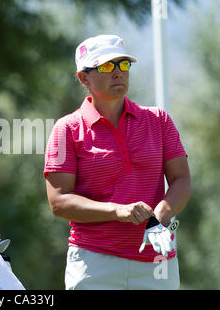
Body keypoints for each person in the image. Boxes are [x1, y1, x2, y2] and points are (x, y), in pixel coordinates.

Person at [44, 34, 192, 290]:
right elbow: (59, 202)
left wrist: (160, 216)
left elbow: (181, 179)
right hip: (94, 262)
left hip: (157, 262)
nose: (118, 73)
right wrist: (117, 210)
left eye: (123, 65)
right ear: (84, 77)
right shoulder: (66, 129)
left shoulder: (158, 120)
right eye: (106, 66)